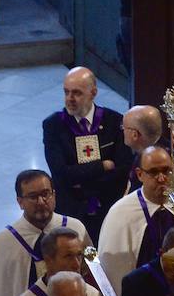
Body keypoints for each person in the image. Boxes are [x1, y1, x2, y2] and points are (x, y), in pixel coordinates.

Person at [42, 67, 133, 242]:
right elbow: (61, 174)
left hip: (108, 208)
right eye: (66, 92)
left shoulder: (114, 122)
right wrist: (102, 166)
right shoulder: (53, 126)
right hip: (71, 211)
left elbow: (122, 169)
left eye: (76, 93)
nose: (69, 99)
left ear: (93, 93)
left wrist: (81, 180)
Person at [95, 147, 174, 295]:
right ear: (140, 174)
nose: (162, 178)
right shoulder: (120, 213)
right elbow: (113, 271)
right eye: (154, 172)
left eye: (166, 171)